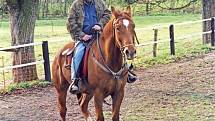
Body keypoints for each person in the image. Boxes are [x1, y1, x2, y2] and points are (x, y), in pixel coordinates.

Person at [67, 0, 138, 94]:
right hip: (83, 37)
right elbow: (71, 22)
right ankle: (75, 80)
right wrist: (82, 35)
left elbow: (107, 14)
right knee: (79, 52)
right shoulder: (76, 5)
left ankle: (126, 72)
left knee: (115, 49)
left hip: (99, 34)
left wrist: (99, 25)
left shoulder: (99, 3)